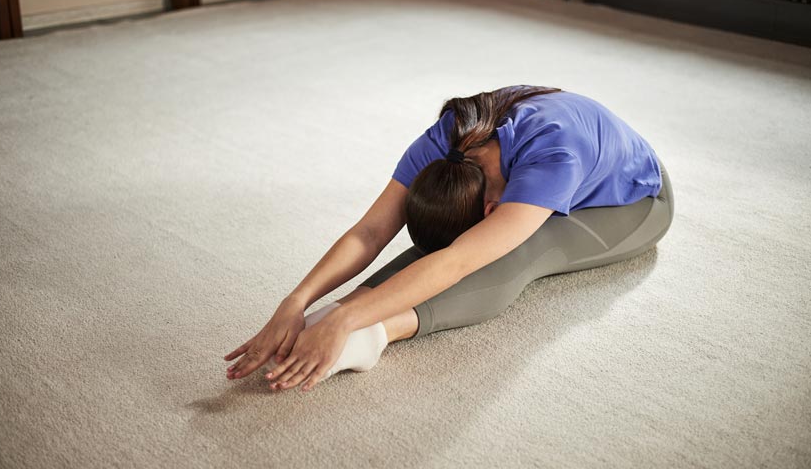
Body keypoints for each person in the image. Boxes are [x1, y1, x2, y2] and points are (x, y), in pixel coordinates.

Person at [224, 85, 674, 392]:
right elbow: (370, 231)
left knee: (514, 251)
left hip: (634, 202)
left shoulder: (553, 159)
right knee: (442, 244)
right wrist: (298, 302)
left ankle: (377, 333)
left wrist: (351, 326)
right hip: (553, 167)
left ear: (490, 211)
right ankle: (348, 310)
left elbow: (457, 261)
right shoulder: (448, 140)